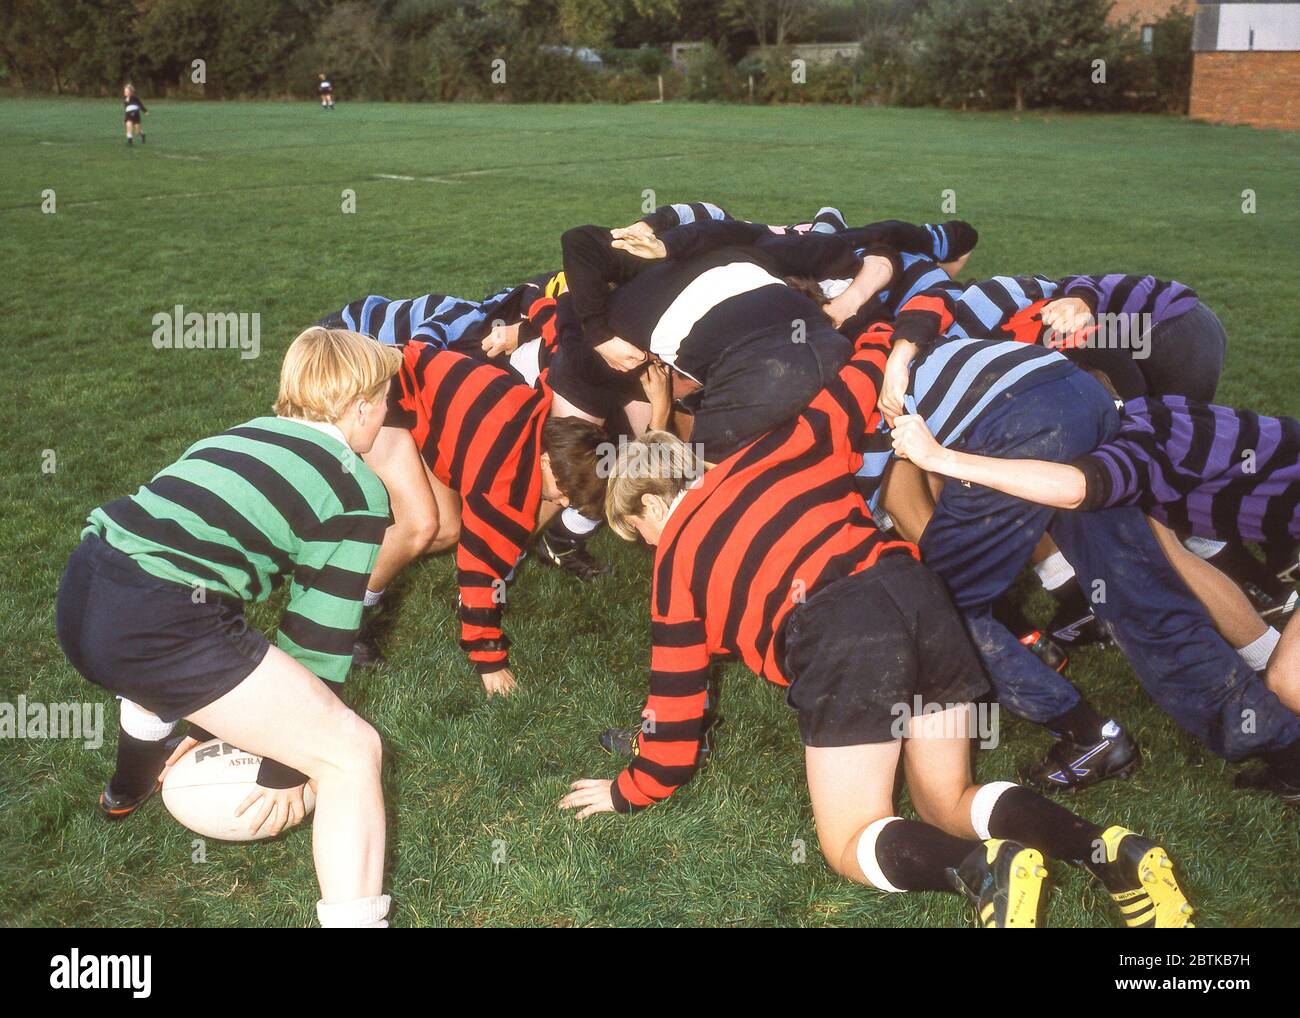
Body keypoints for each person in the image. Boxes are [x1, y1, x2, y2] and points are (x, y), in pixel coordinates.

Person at [561, 331, 1194, 928]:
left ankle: (985, 869)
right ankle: (1110, 852)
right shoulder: (769, 450)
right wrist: (883, 348)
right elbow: (855, 386)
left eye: (638, 533)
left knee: (848, 837)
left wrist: (628, 791)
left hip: (838, 632)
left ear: (649, 503)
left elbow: (674, 719)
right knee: (948, 798)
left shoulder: (675, 567)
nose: (648, 546)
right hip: (918, 595)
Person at [55, 327, 401, 927]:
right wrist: (286, 768)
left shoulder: (242, 433)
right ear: (362, 404)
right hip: (155, 619)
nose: (390, 412)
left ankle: (126, 789)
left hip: (86, 583)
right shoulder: (354, 486)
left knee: (156, 665)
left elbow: (186, 559)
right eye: (387, 398)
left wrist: (214, 708)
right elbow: (318, 636)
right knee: (351, 751)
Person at [872, 321, 1300, 793]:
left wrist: (942, 460)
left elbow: (1076, 488)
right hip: (1064, 393)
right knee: (1139, 593)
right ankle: (1282, 746)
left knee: (939, 605)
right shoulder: (1140, 421)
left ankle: (1086, 734)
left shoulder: (1136, 452)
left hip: (1023, 422)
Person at [358, 341, 608, 693]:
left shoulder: (540, 416)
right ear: (546, 461)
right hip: (382, 384)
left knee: (445, 530)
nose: (563, 501)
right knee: (421, 525)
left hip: (410, 389)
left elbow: (558, 329)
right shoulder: (500, 480)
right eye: (565, 491)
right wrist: (489, 659)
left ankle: (357, 576)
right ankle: (347, 613)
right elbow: (480, 569)